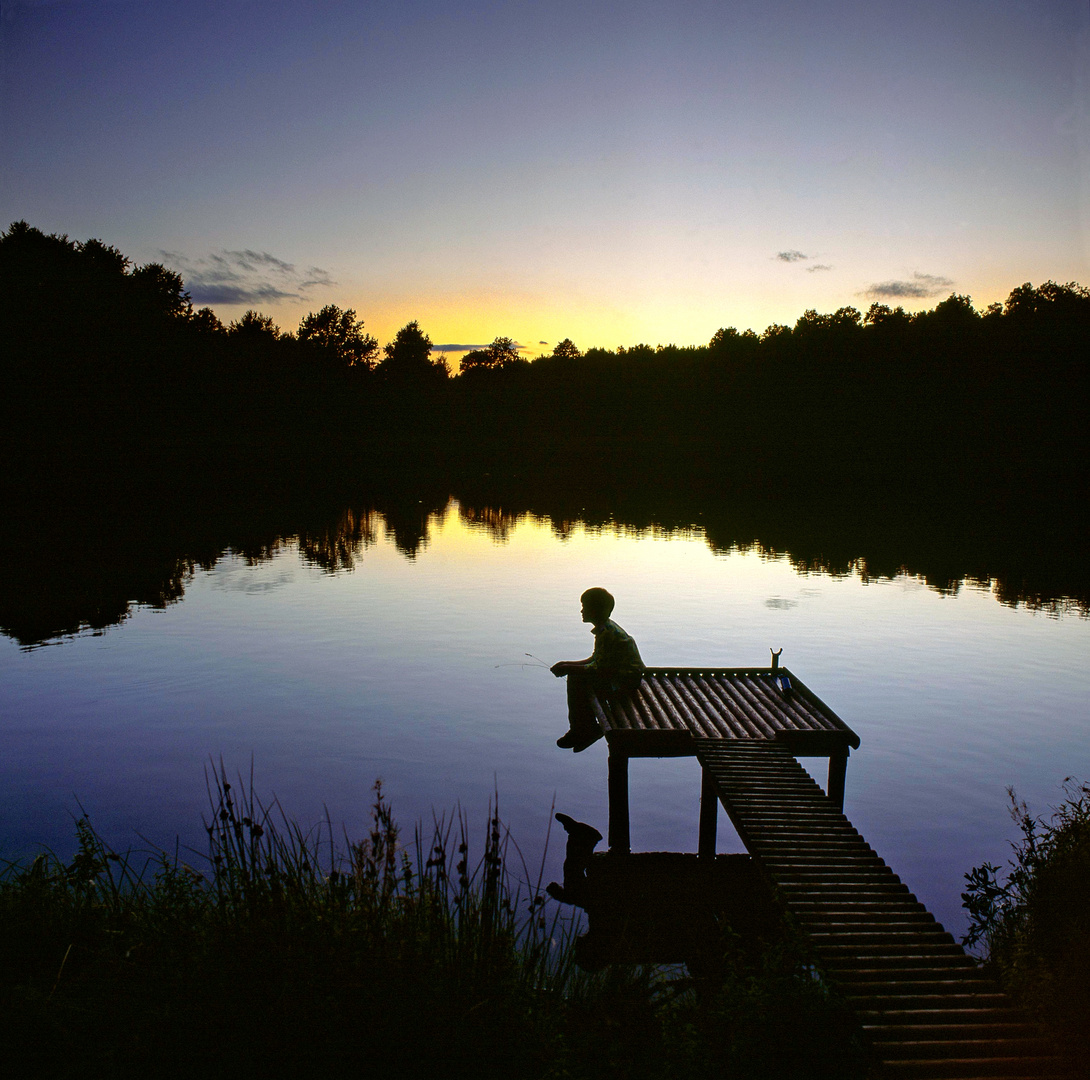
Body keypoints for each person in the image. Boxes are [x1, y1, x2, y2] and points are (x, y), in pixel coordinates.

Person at [551, 587, 644, 752]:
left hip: (624, 682)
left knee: (576, 680)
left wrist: (570, 668)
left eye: (585, 607)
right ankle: (582, 729)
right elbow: (596, 659)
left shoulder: (608, 633)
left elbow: (599, 668)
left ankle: (584, 729)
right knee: (575, 675)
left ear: (596, 610)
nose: (581, 611)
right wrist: (568, 664)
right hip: (621, 676)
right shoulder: (605, 629)